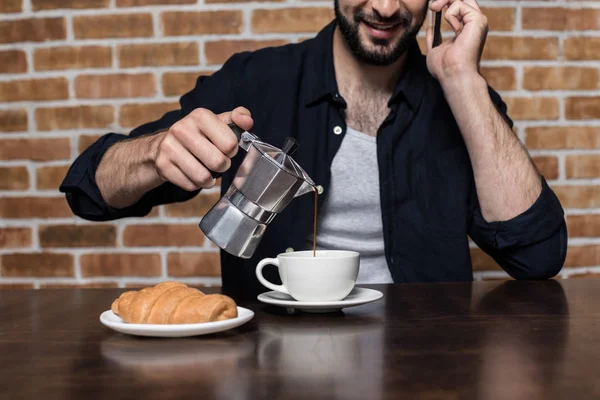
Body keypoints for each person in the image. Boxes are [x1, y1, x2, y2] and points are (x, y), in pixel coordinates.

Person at [60, 0, 568, 300]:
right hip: (269, 362)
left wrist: (461, 78)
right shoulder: (257, 81)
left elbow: (538, 256)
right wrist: (155, 153)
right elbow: (89, 190)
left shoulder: (461, 99)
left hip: (426, 367)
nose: (386, 8)